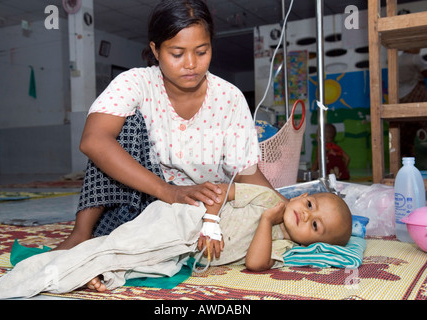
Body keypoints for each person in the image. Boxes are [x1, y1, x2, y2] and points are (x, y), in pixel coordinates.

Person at [55, 0, 280, 251]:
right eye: (177, 54)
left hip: (203, 211)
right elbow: (93, 140)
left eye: (201, 51)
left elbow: (245, 172)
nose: (191, 63)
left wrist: (282, 203)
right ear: (156, 49)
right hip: (139, 202)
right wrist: (168, 191)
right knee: (123, 126)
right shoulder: (136, 83)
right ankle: (81, 233)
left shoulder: (230, 98)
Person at [88, 182, 352, 291]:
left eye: (315, 225)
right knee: (137, 241)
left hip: (187, 256)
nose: (306, 216)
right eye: (310, 206)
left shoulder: (285, 246)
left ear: (312, 244)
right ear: (303, 196)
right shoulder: (268, 197)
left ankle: (103, 273)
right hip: (189, 222)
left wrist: (267, 222)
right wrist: (210, 223)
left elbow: (256, 264)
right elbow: (218, 191)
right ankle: (93, 260)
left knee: (150, 265)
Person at [398, 48, 427, 158]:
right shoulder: (415, 58)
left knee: (406, 128)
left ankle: (405, 154)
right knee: (423, 120)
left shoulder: (399, 59)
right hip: (415, 93)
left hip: (401, 97)